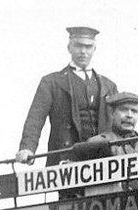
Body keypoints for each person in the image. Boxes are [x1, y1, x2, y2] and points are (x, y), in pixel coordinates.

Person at [16, 26, 118, 164]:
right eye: (78, 46)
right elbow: (35, 119)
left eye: (88, 47)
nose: (83, 52)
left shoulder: (108, 85)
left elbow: (119, 123)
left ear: (94, 49)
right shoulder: (51, 82)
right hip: (66, 159)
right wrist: (27, 148)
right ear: (69, 48)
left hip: (102, 159)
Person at [85, 92, 138, 194]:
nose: (129, 115)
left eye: (134, 111)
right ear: (112, 113)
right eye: (124, 110)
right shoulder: (98, 142)